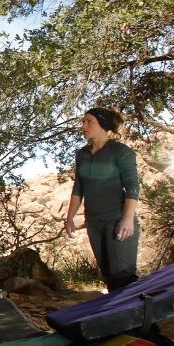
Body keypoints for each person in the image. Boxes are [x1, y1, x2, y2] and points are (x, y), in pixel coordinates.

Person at [64, 107, 140, 291]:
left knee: (123, 275)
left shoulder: (120, 151)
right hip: (94, 222)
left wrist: (128, 219)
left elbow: (132, 187)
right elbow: (79, 187)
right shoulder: (82, 154)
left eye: (89, 121)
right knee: (108, 275)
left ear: (103, 125)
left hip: (117, 219)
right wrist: (69, 218)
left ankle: (143, 319)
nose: (84, 125)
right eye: (83, 121)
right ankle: (118, 318)